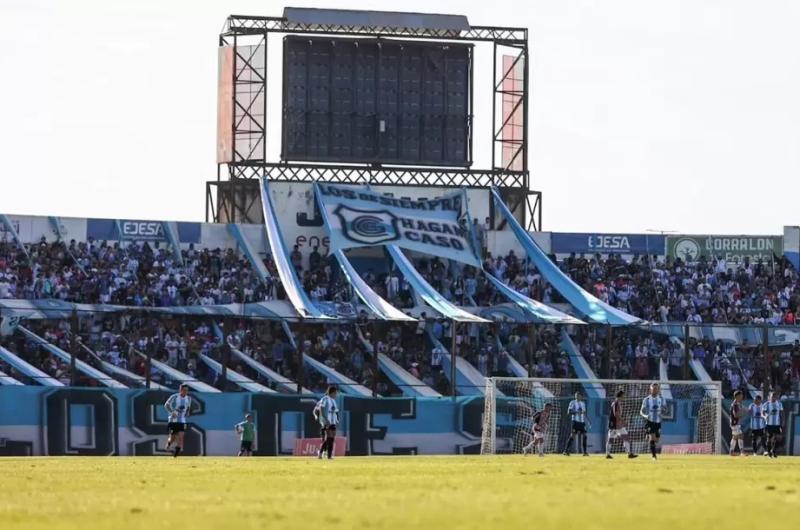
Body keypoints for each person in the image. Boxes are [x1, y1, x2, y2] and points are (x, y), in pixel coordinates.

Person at [606, 390, 638, 459]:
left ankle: (628, 453)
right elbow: (616, 414)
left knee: (622, 438)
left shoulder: (616, 403)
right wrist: (623, 421)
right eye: (623, 396)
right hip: (615, 425)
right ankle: (608, 454)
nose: (624, 397)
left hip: (617, 424)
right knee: (615, 439)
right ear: (620, 396)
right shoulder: (616, 403)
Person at [640, 382, 667, 461]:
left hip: (658, 422)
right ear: (650, 390)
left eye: (656, 389)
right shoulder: (646, 400)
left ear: (659, 390)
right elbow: (641, 411)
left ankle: (648, 434)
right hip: (650, 421)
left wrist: (663, 412)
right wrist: (646, 416)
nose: (655, 390)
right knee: (652, 439)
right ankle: (654, 456)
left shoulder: (662, 399)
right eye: (653, 389)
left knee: (657, 440)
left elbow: (666, 410)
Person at [165, 383, 192, 458]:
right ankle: (169, 444)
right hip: (173, 420)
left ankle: (175, 456)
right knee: (173, 438)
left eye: (186, 390)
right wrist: (172, 412)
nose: (185, 392)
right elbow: (166, 405)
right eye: (184, 390)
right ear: (180, 390)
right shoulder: (174, 396)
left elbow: (188, 408)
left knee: (181, 437)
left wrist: (187, 413)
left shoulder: (189, 398)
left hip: (182, 421)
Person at [313, 386, 339, 460]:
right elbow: (321, 408)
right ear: (332, 393)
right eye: (335, 393)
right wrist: (325, 419)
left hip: (333, 421)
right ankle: (321, 453)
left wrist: (336, 420)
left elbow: (336, 411)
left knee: (332, 438)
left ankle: (329, 455)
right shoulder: (325, 399)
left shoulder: (333, 401)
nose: (336, 395)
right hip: (327, 421)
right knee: (329, 437)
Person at [563, 391, 591, 456]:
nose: (577, 397)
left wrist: (588, 421)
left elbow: (584, 413)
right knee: (572, 436)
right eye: (576, 395)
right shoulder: (572, 402)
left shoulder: (583, 403)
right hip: (575, 422)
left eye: (578, 395)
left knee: (585, 435)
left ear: (581, 396)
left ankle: (584, 452)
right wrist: (576, 412)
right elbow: (569, 412)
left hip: (582, 422)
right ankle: (566, 451)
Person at [762, 391, 783, 458]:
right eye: (772, 396)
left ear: (776, 397)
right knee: (770, 438)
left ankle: (773, 450)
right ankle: (769, 451)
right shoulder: (766, 404)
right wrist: (765, 416)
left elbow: (782, 413)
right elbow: (763, 413)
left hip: (777, 424)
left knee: (779, 438)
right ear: (770, 397)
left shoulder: (779, 404)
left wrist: (783, 422)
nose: (773, 398)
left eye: (775, 396)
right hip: (769, 424)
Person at [729, 390, 744, 456]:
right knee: (740, 435)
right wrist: (742, 414)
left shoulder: (736, 403)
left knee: (735, 437)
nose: (742, 396)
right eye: (741, 395)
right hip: (735, 423)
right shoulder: (735, 405)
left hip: (734, 423)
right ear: (737, 396)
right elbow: (735, 415)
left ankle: (731, 451)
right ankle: (742, 452)